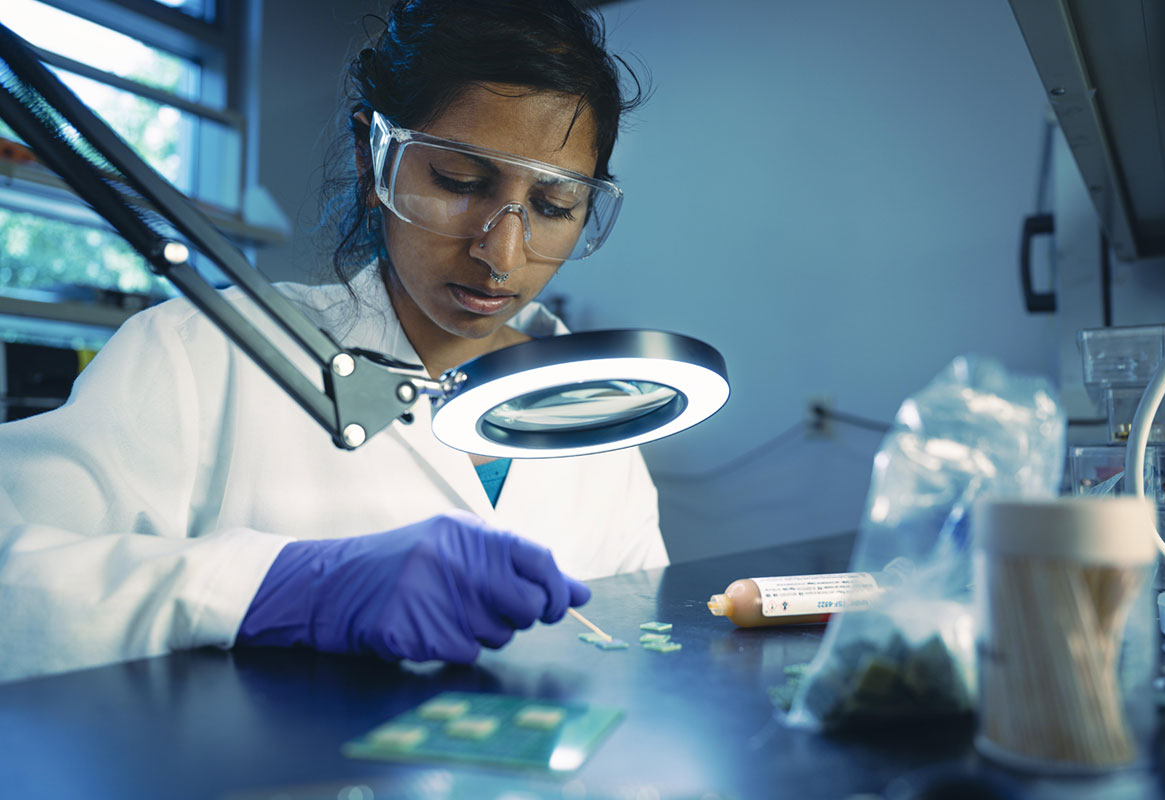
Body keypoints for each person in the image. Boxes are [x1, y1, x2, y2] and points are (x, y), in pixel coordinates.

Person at [0, 0, 666, 683]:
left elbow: (640, 660)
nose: (501, 252)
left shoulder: (598, 419)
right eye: (459, 182)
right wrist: (283, 587)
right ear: (370, 155)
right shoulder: (198, 354)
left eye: (554, 207)